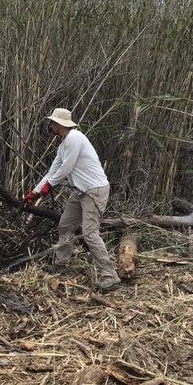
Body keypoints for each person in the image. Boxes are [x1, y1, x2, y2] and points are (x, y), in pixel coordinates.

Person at [23, 108, 121, 293]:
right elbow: (52, 171)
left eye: (52, 122)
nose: (50, 125)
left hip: (94, 190)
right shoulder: (63, 145)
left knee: (90, 233)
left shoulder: (75, 137)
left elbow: (67, 168)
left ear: (59, 124)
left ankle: (110, 275)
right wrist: (34, 193)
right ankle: (61, 264)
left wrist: (49, 186)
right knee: (65, 225)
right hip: (79, 191)